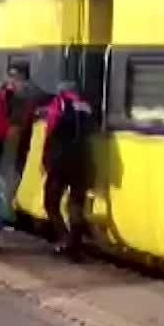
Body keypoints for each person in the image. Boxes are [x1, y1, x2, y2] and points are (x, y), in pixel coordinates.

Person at [0, 63, 47, 254]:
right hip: (4, 149)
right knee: (0, 191)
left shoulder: (1, 91)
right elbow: (14, 129)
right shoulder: (22, 95)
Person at [40, 79, 94, 261]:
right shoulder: (85, 107)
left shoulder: (58, 104)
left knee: (50, 203)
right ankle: (75, 248)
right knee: (76, 205)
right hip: (80, 162)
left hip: (59, 163)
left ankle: (64, 239)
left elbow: (50, 131)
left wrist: (45, 159)